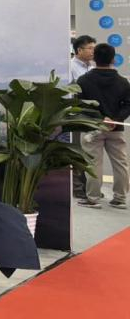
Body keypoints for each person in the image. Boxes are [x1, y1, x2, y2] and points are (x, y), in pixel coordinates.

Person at [77, 42, 130, 209]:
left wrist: (100, 119)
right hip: (116, 128)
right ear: (113, 59)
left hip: (92, 127)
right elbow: (128, 104)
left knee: (93, 163)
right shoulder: (123, 82)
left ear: (94, 58)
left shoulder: (83, 80)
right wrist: (114, 119)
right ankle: (120, 198)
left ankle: (93, 198)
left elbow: (81, 105)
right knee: (120, 163)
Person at [70, 35, 98, 201]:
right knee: (77, 152)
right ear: (79, 50)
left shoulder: (92, 67)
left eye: (94, 48)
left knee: (89, 152)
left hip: (91, 116)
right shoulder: (71, 67)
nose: (93, 51)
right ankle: (77, 187)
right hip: (76, 115)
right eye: (90, 48)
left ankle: (89, 187)